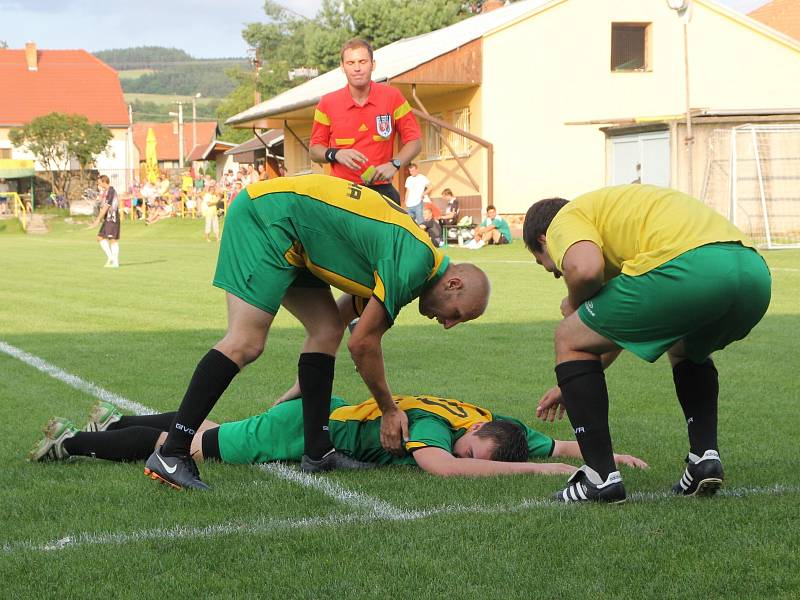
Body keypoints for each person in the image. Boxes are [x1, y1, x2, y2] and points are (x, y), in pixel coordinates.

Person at [144, 174, 491, 490]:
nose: (448, 324)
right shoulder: (413, 263)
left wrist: (305, 384)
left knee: (325, 330)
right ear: (453, 284)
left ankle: (318, 450)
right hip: (268, 217)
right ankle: (172, 453)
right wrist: (388, 410)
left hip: (297, 232)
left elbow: (342, 323)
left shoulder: (415, 258)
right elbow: (363, 343)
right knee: (246, 341)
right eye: (456, 315)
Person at [523, 184, 771, 503]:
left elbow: (583, 270)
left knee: (568, 335)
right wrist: (569, 386)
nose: (553, 272)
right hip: (752, 274)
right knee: (685, 346)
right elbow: (613, 333)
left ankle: (599, 479)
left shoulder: (564, 220)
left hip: (688, 268)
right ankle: (703, 459)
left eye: (542, 261)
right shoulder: (610, 217)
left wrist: (574, 308)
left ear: (543, 240)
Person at [29, 397, 648, 478]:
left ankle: (106, 426)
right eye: (476, 447)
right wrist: (545, 474)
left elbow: (551, 443)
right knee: (184, 444)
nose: (470, 452)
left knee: (206, 430)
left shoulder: (490, 424)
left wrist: (602, 455)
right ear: (476, 431)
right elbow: (445, 469)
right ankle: (73, 444)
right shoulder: (438, 432)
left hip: (317, 415)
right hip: (301, 427)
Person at [309, 38, 422, 204]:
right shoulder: (327, 103)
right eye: (350, 63)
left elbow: (415, 142)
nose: (357, 68)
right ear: (342, 67)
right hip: (342, 192)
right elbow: (314, 151)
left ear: (373, 64)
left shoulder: (393, 97)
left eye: (362, 62)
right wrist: (336, 154)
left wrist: (395, 164)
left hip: (382, 190)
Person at [89, 175, 120, 268]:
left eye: (99, 182)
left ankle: (115, 262)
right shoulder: (105, 192)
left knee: (112, 240)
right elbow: (102, 205)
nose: (98, 184)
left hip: (112, 219)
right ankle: (111, 258)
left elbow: (106, 207)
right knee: (100, 238)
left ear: (104, 182)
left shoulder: (111, 191)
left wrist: (97, 219)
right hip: (107, 219)